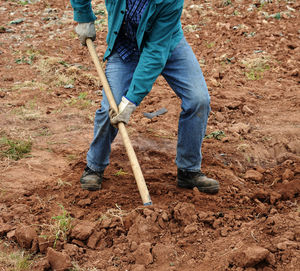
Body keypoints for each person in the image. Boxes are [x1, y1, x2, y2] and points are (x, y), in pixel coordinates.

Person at [70, 0, 220, 194]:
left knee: (198, 100)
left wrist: (132, 99)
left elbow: (155, 52)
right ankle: (94, 167)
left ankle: (189, 170)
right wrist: (83, 17)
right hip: (125, 45)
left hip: (165, 42)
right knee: (111, 106)